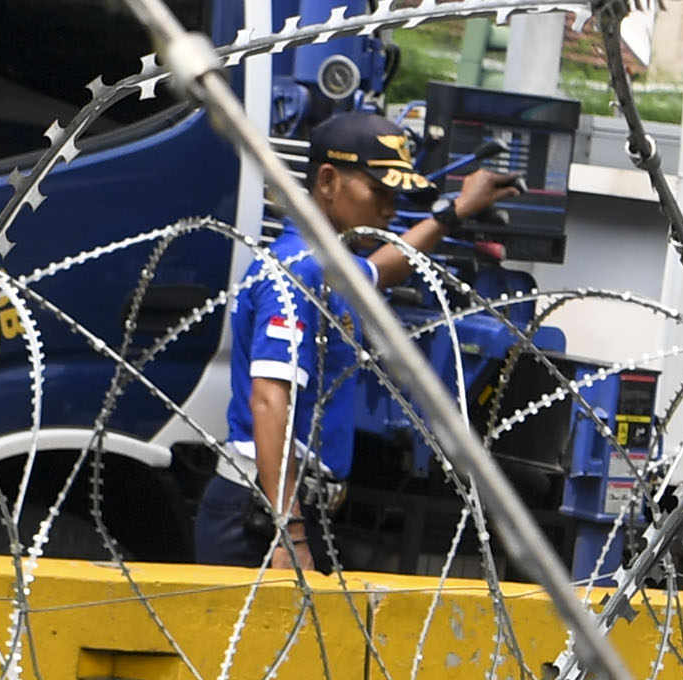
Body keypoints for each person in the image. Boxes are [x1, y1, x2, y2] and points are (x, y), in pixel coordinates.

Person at [195, 112, 516, 573]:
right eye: (379, 192)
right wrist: (292, 532)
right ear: (328, 180)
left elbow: (386, 267)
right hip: (261, 523)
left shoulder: (328, 267)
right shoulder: (298, 272)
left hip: (291, 513)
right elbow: (269, 400)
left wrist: (455, 211)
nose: (389, 209)